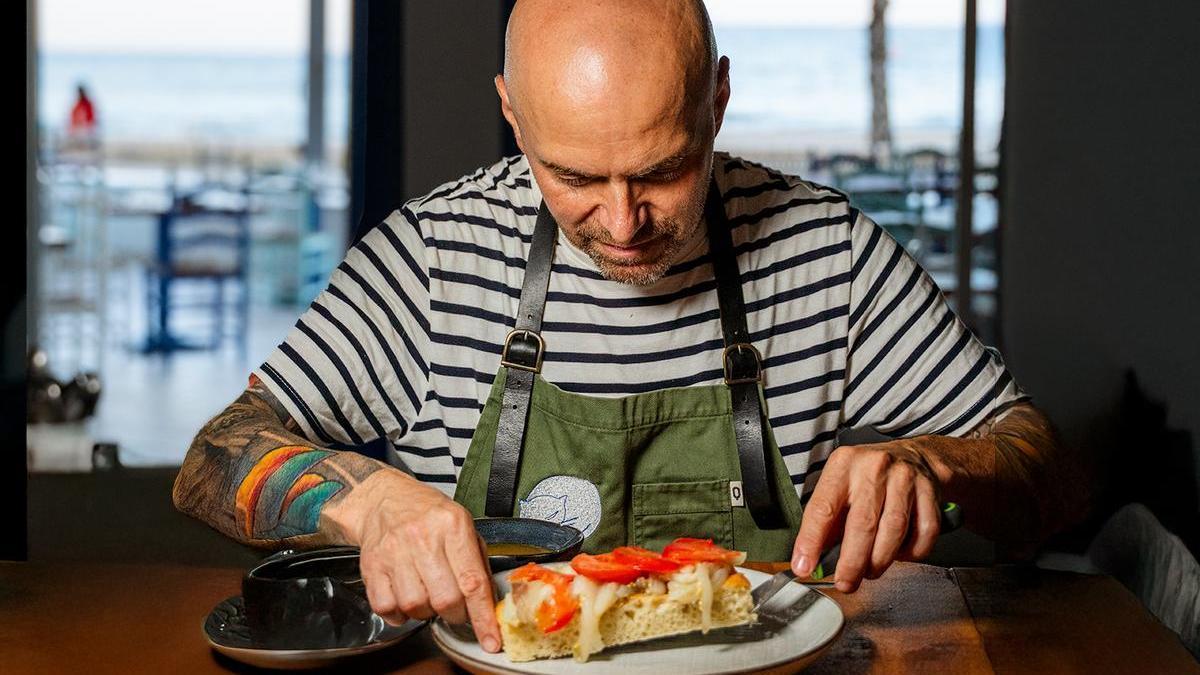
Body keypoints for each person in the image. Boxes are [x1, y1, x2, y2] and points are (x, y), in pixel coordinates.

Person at [173, 0, 1089, 653]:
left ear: (717, 100)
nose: (622, 222)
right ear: (512, 113)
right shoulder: (432, 258)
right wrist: (370, 503)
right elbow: (213, 456)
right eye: (573, 175)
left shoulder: (828, 253)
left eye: (663, 169)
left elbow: (1052, 471)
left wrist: (934, 463)